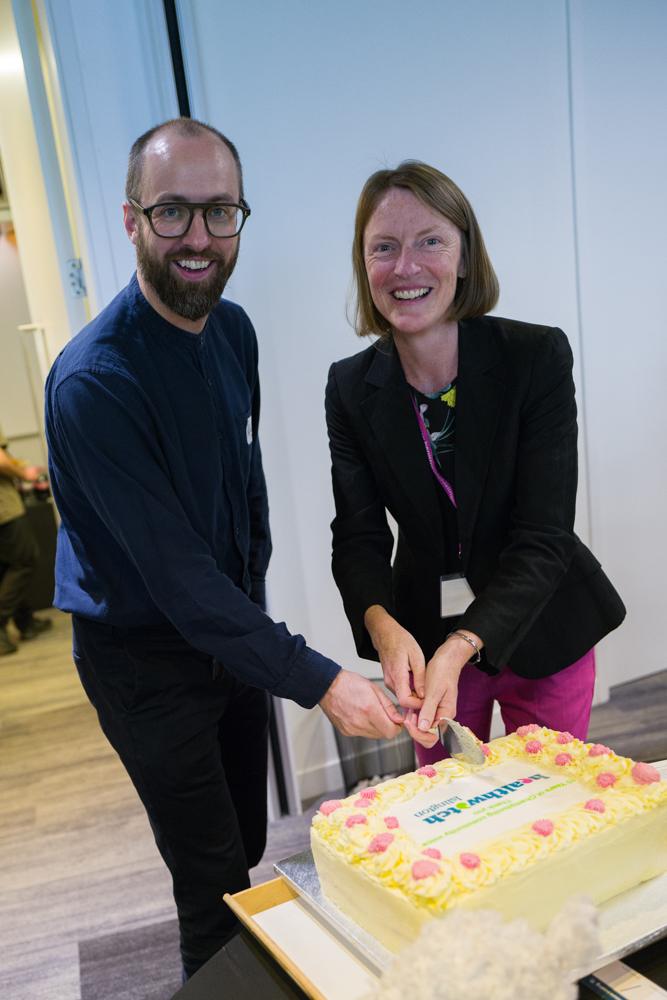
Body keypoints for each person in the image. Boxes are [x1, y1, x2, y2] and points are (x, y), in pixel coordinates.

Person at [45, 119, 403, 978]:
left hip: (227, 637)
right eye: (173, 212)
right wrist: (320, 680)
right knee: (210, 886)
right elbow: (174, 579)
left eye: (219, 212)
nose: (199, 238)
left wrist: (254, 633)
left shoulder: (232, 331)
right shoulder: (95, 386)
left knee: (245, 836)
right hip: (146, 661)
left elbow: (245, 496)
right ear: (130, 220)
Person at [325, 161, 625, 764]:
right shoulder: (349, 388)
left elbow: (544, 538)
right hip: (425, 643)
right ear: (364, 265)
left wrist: (464, 645)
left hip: (543, 624)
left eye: (429, 241)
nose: (405, 266)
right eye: (384, 247)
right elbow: (357, 537)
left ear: (464, 256)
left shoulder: (534, 357)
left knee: (550, 806)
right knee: (453, 815)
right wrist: (382, 626)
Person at [0, 423, 52, 654]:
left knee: (5, 565)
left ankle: (25, 620)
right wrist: (24, 474)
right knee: (25, 560)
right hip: (3, 510)